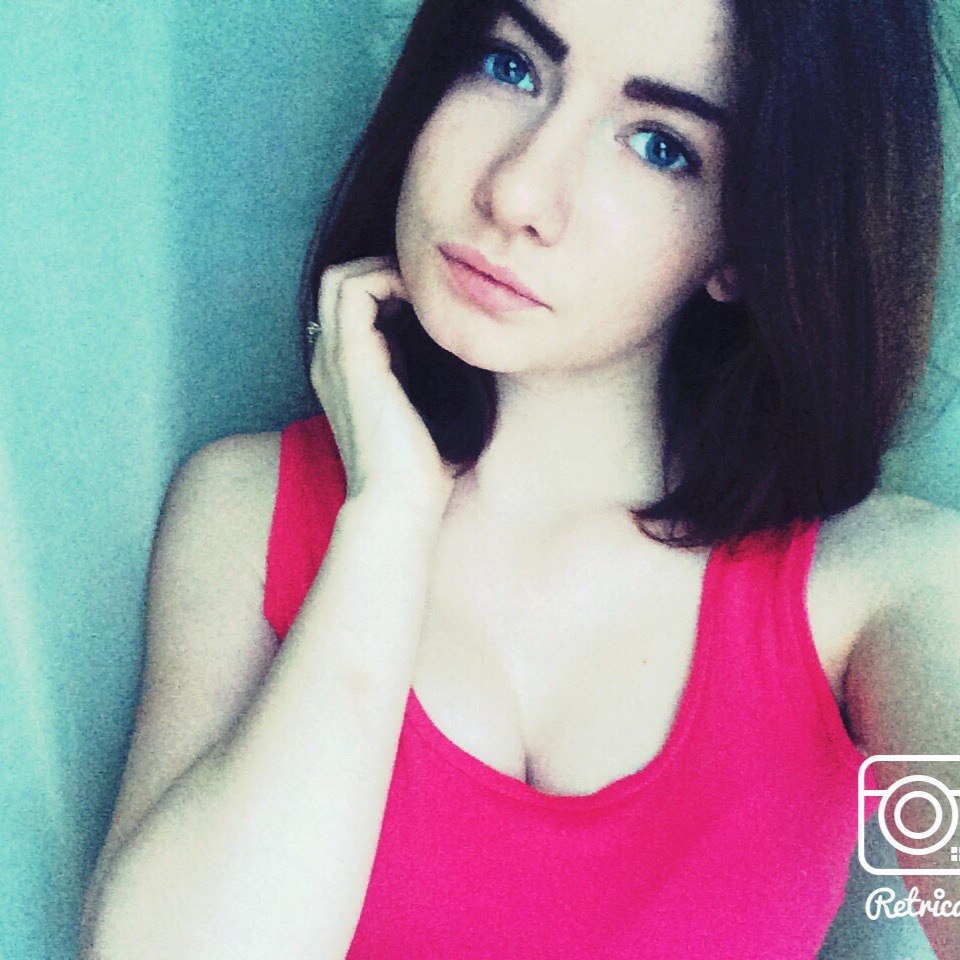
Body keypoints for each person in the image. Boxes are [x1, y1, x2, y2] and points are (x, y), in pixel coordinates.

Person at [79, 0, 959, 957]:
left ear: (745, 243)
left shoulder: (886, 588)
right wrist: (388, 517)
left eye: (659, 146)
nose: (518, 192)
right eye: (510, 67)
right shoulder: (247, 514)